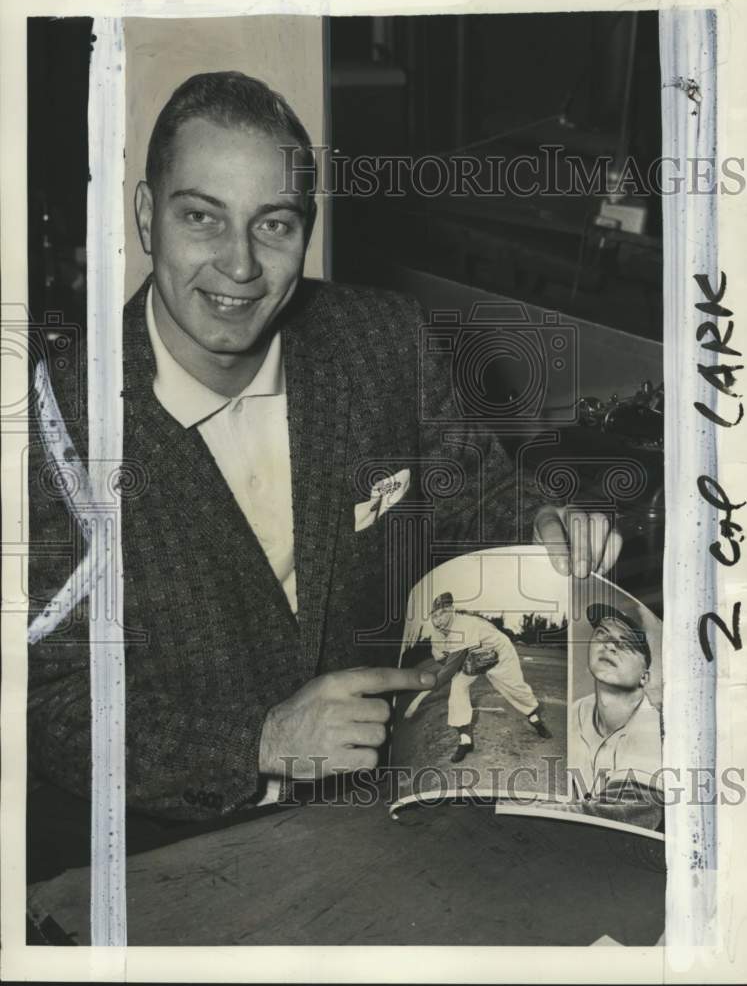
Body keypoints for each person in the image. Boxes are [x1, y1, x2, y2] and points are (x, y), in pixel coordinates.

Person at [27, 71, 621, 821]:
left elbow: (474, 495)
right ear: (147, 217)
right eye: (202, 218)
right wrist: (256, 741)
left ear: (305, 226)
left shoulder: (383, 340)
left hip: (384, 811)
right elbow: (42, 700)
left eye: (272, 223)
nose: (239, 266)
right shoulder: (56, 421)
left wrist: (543, 524)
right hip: (167, 847)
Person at [422, 592, 551, 762]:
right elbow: (443, 660)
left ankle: (535, 719)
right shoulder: (437, 636)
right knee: (458, 687)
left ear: (451, 611)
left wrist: (435, 682)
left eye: (442, 614)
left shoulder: (463, 624)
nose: (437, 620)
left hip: (498, 652)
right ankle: (465, 741)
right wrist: (456, 668)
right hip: (471, 656)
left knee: (515, 688)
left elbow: (450, 666)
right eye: (434, 616)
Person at [568, 602, 663, 828]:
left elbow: (615, 818)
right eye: (602, 633)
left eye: (627, 643)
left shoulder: (655, 728)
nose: (609, 645)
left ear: (645, 676)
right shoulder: (577, 710)